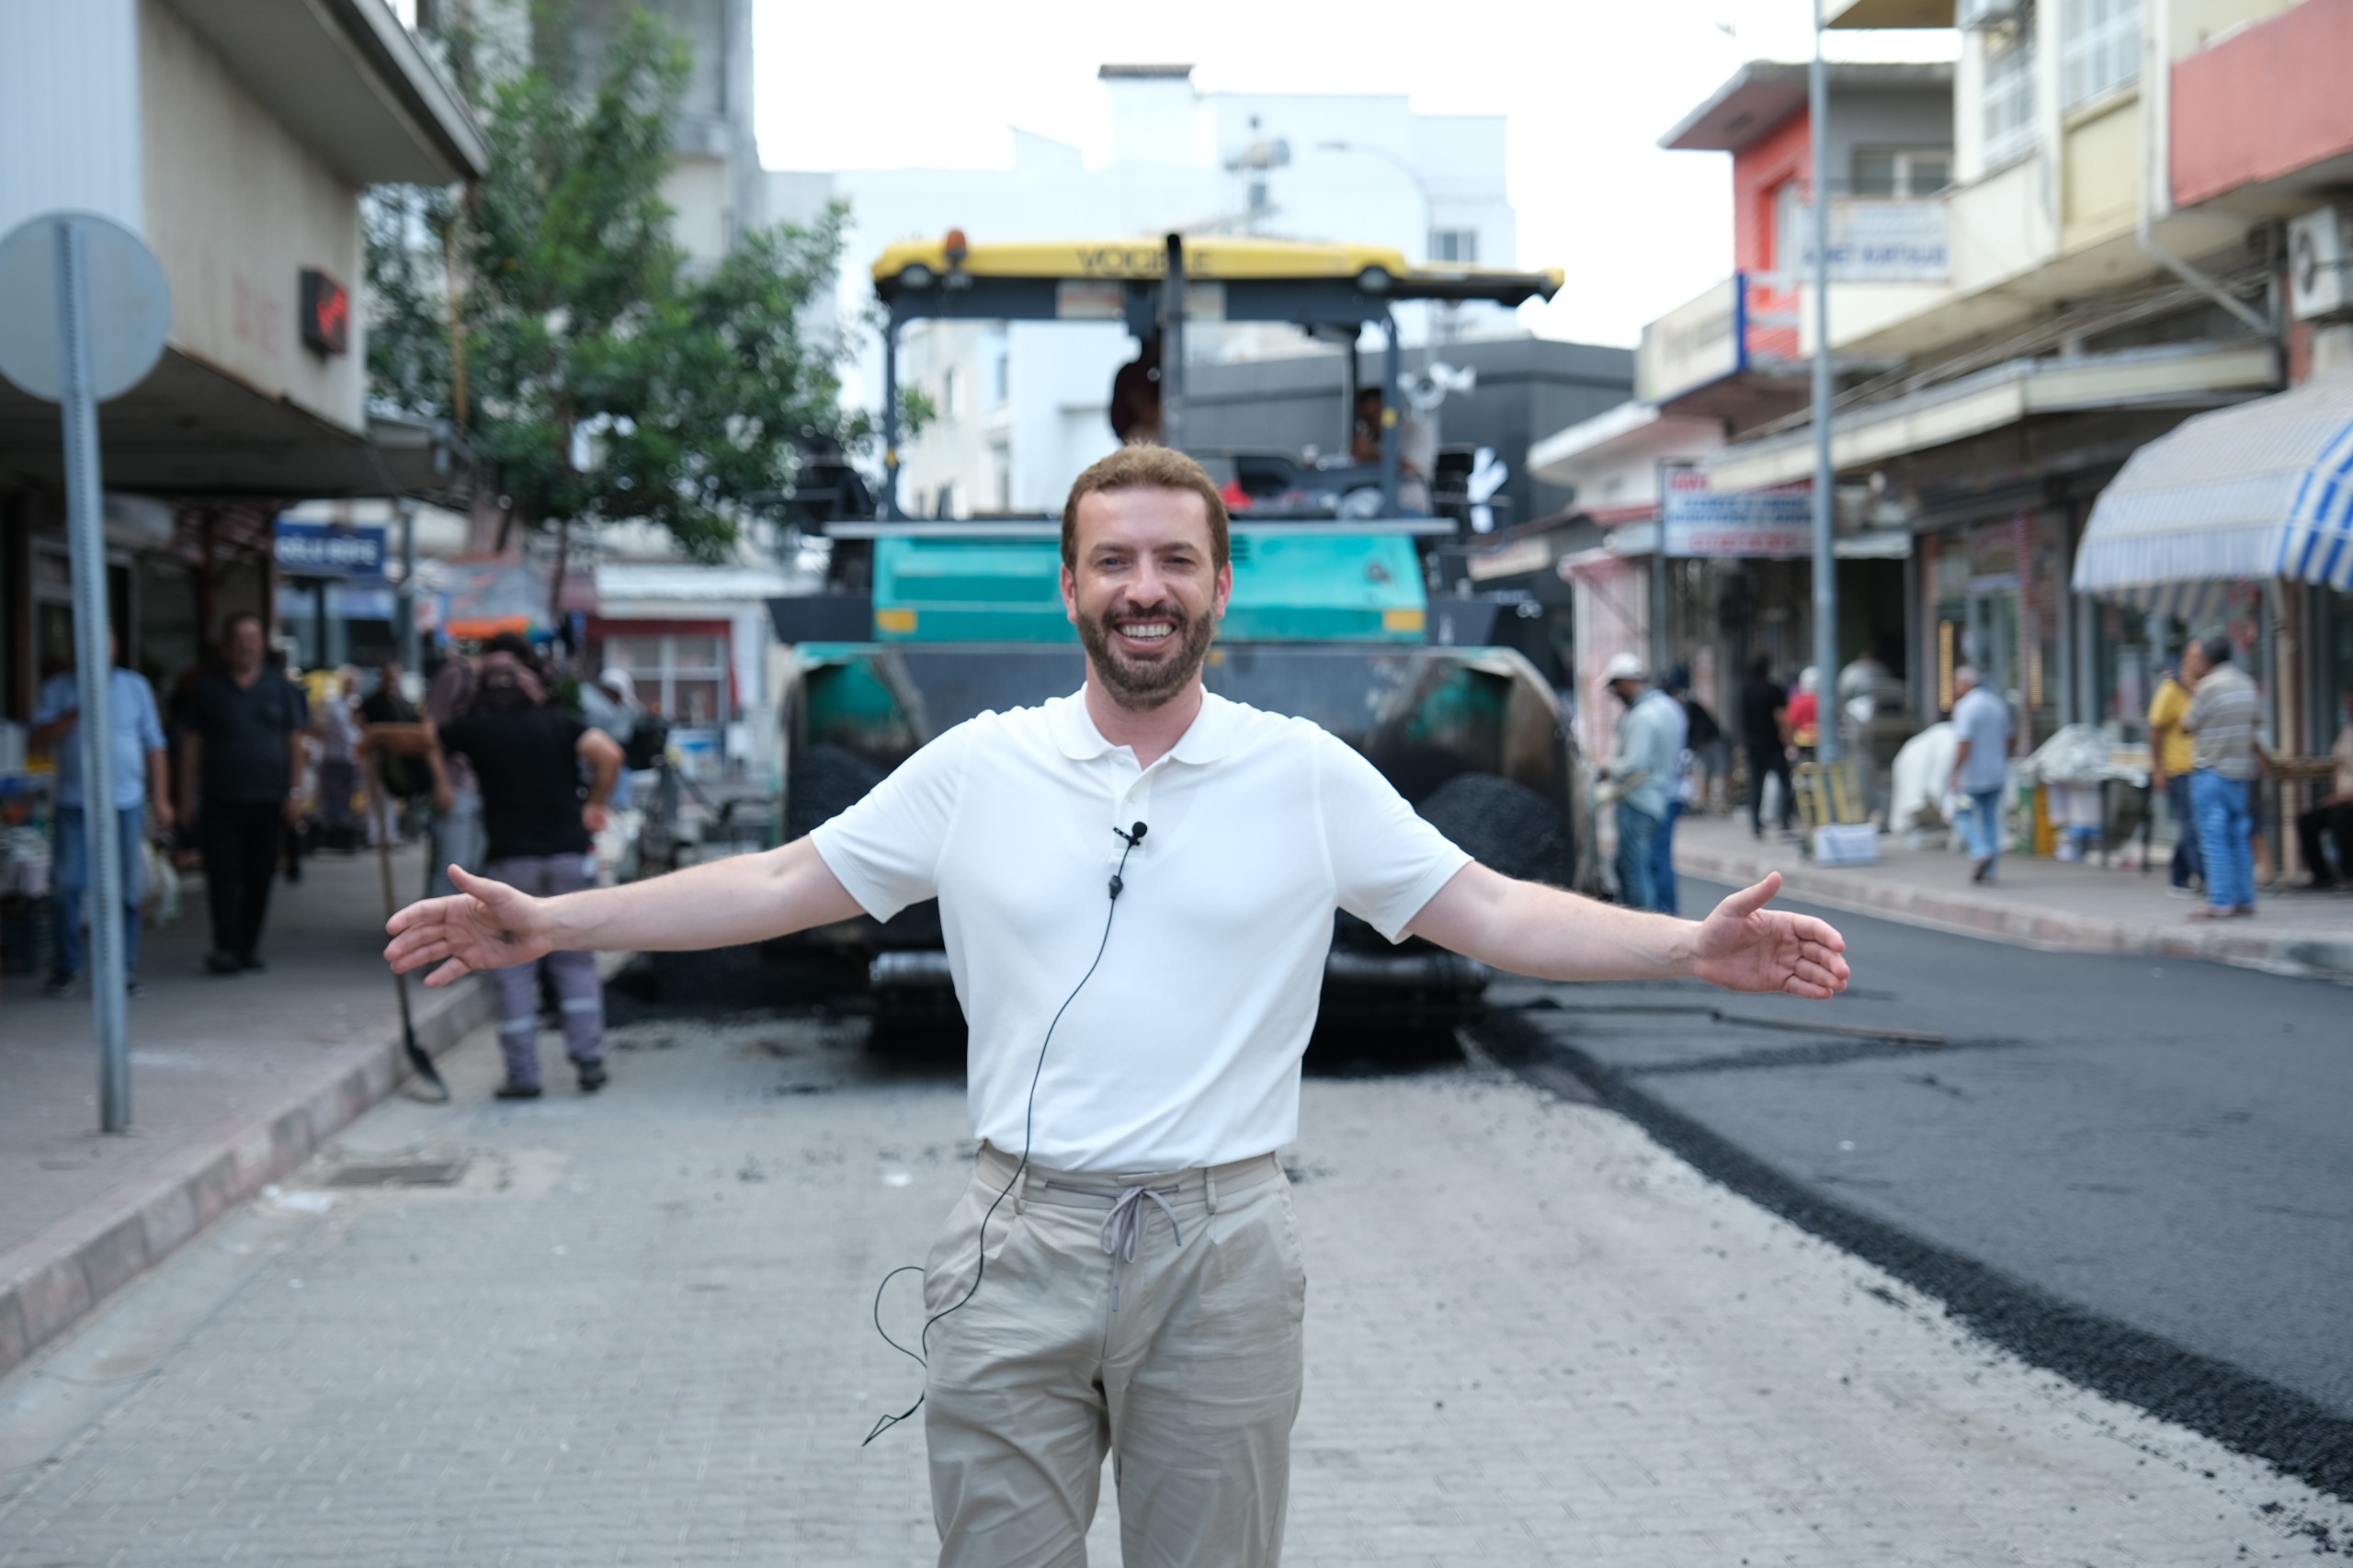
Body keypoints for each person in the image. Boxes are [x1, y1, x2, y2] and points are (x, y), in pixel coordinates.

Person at [385, 445, 1847, 1568]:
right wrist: (551, 919)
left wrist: (1682, 946)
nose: (1143, 587)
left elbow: (1498, 908)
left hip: (1223, 1251)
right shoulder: (975, 768)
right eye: (1112, 562)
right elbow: (779, 882)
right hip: (1012, 1241)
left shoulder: (1307, 774)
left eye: (1173, 561)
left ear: (1220, 586)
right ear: (1071, 588)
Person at [378, 644, 624, 1098]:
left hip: (511, 867)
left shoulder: (478, 730)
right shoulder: (560, 723)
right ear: (529, 684)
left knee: (512, 970)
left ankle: (524, 1075)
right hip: (569, 859)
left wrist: (373, 736)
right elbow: (608, 753)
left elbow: (421, 740)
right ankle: (589, 1060)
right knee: (575, 960)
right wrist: (595, 804)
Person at [28, 633, 170, 998]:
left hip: (125, 802)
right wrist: (74, 712)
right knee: (66, 886)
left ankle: (122, 969)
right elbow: (38, 739)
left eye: (103, 642)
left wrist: (163, 799)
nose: (94, 650)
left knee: (127, 890)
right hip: (75, 804)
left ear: (115, 647)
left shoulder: (134, 686)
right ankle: (66, 967)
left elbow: (155, 745)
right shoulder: (59, 688)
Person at [179, 613, 307, 973]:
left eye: (253, 638)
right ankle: (225, 948)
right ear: (228, 645)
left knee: (259, 876)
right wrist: (184, 794)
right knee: (221, 874)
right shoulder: (208, 688)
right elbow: (191, 744)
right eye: (240, 639)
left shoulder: (278, 687)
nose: (246, 646)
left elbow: (295, 742)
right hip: (221, 797)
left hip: (268, 799)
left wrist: (295, 792)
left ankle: (249, 946)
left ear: (261, 644)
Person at [2178, 633, 2261, 920]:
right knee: (2239, 836)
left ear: (2208, 660)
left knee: (2214, 838)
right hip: (2241, 774)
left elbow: (2186, 725)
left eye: (2197, 658)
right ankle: (2245, 898)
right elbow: (2255, 722)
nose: (2193, 663)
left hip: (2211, 773)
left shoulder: (2207, 687)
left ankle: (2221, 901)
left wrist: (2190, 685)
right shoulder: (2247, 684)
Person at [1948, 665, 2012, 884]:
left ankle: (1979, 851)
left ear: (1965, 683)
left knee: (1961, 814)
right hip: (1995, 775)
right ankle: (1991, 870)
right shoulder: (1996, 704)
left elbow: (1964, 742)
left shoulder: (1966, 707)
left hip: (1971, 779)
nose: (1956, 689)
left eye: (1957, 684)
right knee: (1990, 821)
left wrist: (1955, 771)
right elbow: (2010, 738)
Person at [2147, 653, 2203, 897]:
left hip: (2202, 768)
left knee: (2193, 825)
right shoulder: (2169, 691)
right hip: (2178, 769)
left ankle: (2178, 877)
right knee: (2191, 825)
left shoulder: (2202, 690)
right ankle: (2205, 877)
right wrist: (2157, 769)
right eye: (2191, 663)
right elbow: (2155, 731)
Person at [2295, 687, 2353, 890]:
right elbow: (2338, 766)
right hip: (2342, 799)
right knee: (2307, 820)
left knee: (2341, 819)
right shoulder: (2347, 732)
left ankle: (2349, 875)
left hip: (2349, 801)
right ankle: (2322, 876)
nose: (2349, 708)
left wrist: (2344, 797)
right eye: (2347, 704)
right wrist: (2336, 794)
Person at [1738, 653, 1794, 839]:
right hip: (1773, 744)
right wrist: (1789, 742)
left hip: (1753, 745)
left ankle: (1756, 825)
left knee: (1756, 785)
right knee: (1785, 782)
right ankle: (1784, 821)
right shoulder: (1773, 690)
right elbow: (1781, 718)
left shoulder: (1745, 690)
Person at [1673, 667, 1726, 816]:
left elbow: (1687, 726)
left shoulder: (1688, 706)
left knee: (1719, 769)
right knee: (1706, 771)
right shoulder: (1685, 707)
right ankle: (1706, 801)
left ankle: (1721, 802)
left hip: (1711, 739)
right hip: (1702, 741)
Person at [1787, 665, 1821, 758]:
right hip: (1819, 741)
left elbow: (1790, 721)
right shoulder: (1823, 702)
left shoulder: (1796, 701)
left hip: (1801, 742)